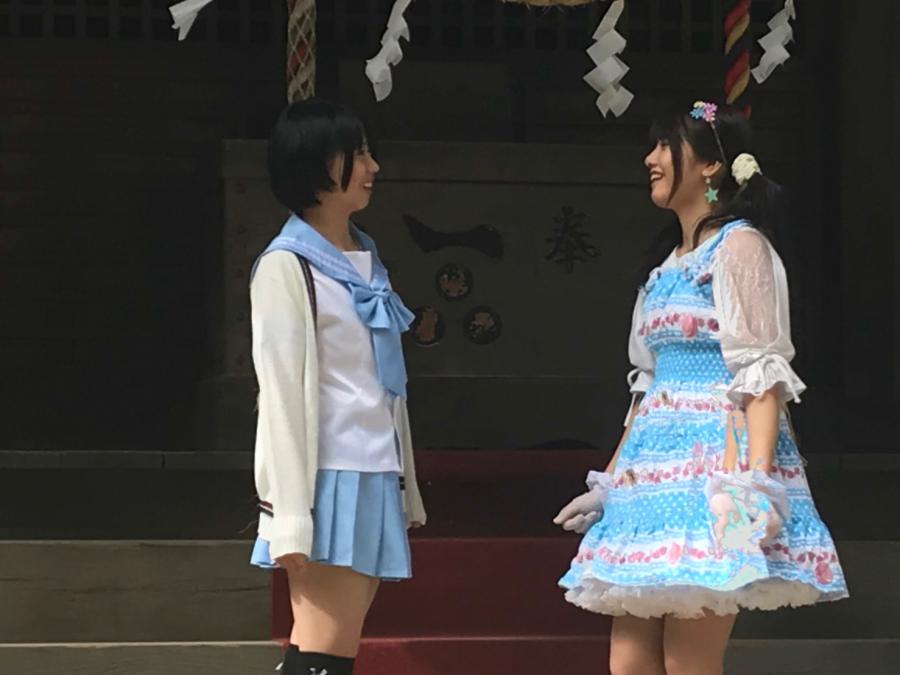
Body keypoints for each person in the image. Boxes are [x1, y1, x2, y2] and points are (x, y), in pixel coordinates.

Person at [555, 101, 847, 675]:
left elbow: (761, 373)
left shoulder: (739, 247)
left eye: (666, 146)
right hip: (652, 472)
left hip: (718, 466)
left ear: (711, 165)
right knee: (629, 661)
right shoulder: (665, 264)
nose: (651, 158)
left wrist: (756, 483)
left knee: (688, 659)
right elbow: (647, 386)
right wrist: (610, 481)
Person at [248, 98, 426, 675]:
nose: (373, 167)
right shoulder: (286, 266)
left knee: (323, 650)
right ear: (318, 165)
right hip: (329, 477)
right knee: (325, 651)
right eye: (358, 154)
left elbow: (383, 390)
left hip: (374, 469)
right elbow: (280, 399)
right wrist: (289, 515)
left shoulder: (366, 258)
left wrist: (404, 485)